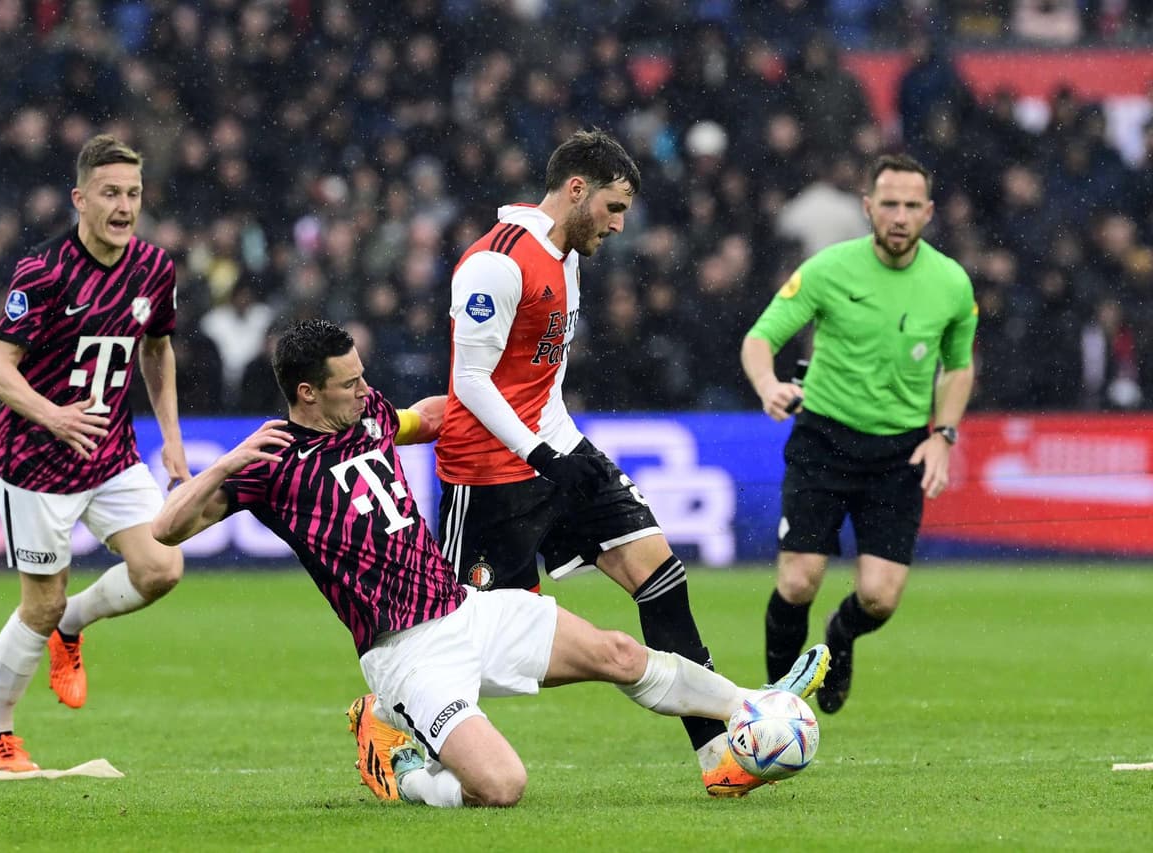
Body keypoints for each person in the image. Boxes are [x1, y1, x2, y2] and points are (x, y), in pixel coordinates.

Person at [150, 319, 830, 807]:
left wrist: (472, 412)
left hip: (467, 610)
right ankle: (394, 753)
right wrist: (230, 460)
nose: (364, 389)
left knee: (621, 652)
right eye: (349, 383)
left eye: (363, 377)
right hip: (407, 652)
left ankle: (752, 705)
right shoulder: (269, 467)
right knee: (501, 787)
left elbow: (420, 417)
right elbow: (166, 528)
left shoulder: (371, 415)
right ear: (305, 393)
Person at [429, 128, 760, 797]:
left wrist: (566, 450)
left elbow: (541, 382)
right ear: (575, 189)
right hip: (489, 477)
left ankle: (720, 755)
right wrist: (541, 453)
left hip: (556, 452)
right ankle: (393, 723)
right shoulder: (494, 262)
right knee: (472, 643)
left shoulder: (568, 258)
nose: (617, 225)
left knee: (661, 575)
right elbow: (470, 381)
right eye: (612, 208)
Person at [0, 134, 191, 771]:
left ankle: (75, 626)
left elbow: (156, 347)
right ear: (80, 199)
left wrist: (171, 439)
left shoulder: (154, 268)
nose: (125, 206)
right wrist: (54, 416)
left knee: (162, 568)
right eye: (111, 194)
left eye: (134, 194)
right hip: (39, 464)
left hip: (112, 454)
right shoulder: (43, 272)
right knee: (38, 603)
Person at [740, 153, 977, 715]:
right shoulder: (827, 270)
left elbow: (959, 365)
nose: (899, 216)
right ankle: (778, 705)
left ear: (928, 212)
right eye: (888, 204)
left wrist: (943, 433)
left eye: (911, 205)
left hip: (898, 452)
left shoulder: (950, 283)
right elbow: (759, 338)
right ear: (868, 207)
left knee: (879, 597)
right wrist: (768, 384)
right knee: (798, 581)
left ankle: (838, 638)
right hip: (823, 439)